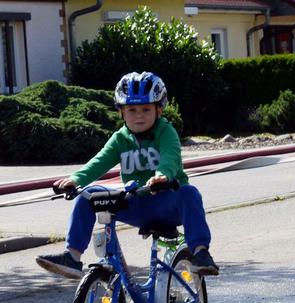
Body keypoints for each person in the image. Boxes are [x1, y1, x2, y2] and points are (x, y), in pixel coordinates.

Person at [36, 71, 219, 279]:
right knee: (88, 196)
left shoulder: (166, 132)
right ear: (120, 112)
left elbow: (170, 157)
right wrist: (76, 179)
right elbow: (99, 161)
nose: (138, 115)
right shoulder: (120, 138)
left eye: (145, 109)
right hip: (135, 203)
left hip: (166, 203)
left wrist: (162, 176)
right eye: (131, 109)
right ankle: (73, 256)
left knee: (190, 193)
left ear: (159, 110)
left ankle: (200, 253)